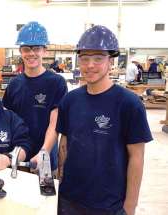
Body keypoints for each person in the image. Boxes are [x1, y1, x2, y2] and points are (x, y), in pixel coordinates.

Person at [56, 25, 153, 215]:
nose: (90, 65)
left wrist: (130, 207)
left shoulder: (129, 103)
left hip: (108, 203)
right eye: (84, 58)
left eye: (98, 58)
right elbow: (64, 143)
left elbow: (137, 157)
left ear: (111, 61)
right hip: (69, 198)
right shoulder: (70, 100)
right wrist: (61, 178)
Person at [2, 21, 68, 174]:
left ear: (44, 50)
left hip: (44, 158)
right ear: (20, 51)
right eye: (26, 49)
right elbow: (7, 121)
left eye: (36, 48)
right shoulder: (14, 84)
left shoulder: (56, 83)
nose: (31, 53)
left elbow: (54, 124)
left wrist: (43, 152)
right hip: (17, 158)